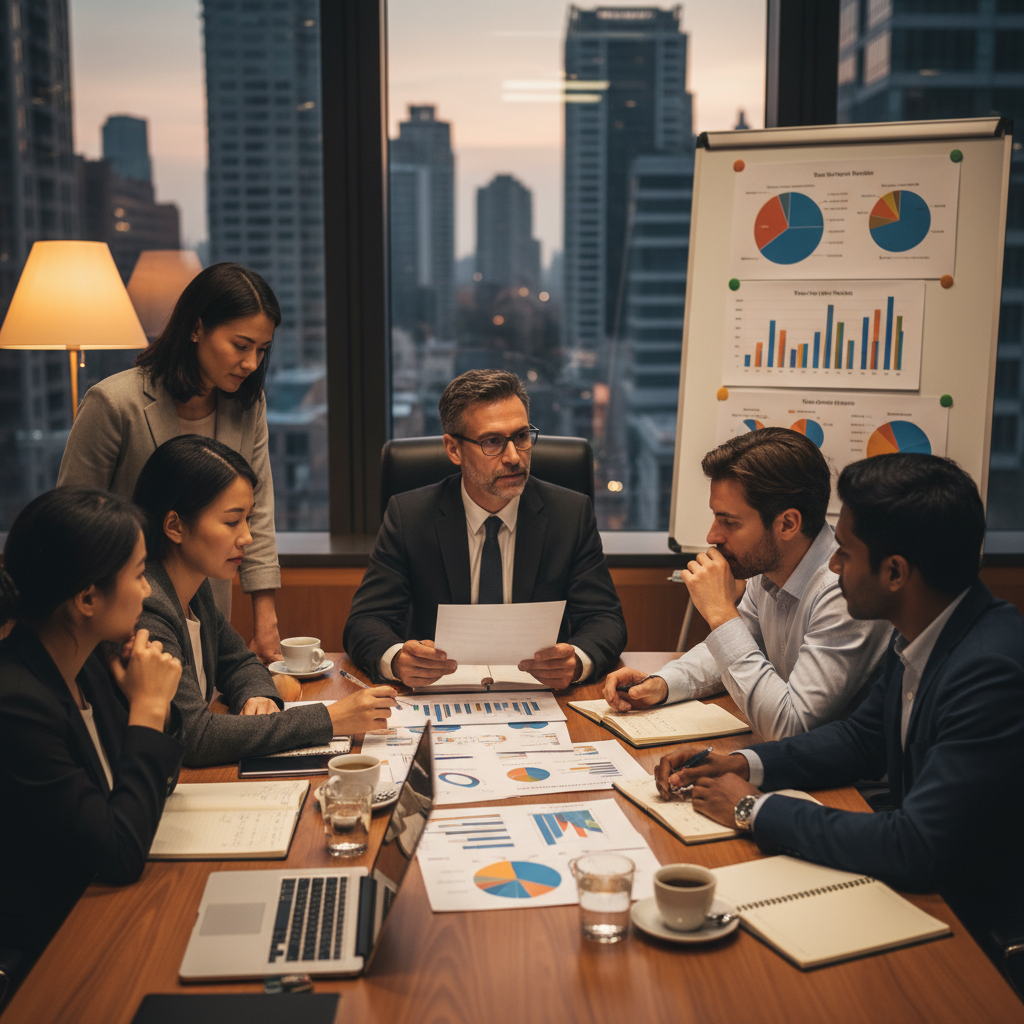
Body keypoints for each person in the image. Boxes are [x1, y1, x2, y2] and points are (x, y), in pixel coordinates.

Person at [656, 454, 1024, 963]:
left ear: (895, 572)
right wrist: (744, 764)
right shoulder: (925, 629)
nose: (831, 565)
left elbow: (915, 846)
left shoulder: (989, 671)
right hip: (926, 886)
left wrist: (751, 809)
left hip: (975, 926)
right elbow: (860, 739)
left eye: (845, 553)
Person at [57, 262, 284, 665]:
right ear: (197, 328)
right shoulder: (115, 403)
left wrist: (265, 616)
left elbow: (258, 507)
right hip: (126, 616)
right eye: (241, 345)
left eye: (261, 350)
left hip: (209, 609)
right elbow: (73, 523)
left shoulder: (249, 405)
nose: (251, 363)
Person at [344, 369, 627, 689]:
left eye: (521, 436)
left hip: (540, 694)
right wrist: (398, 659)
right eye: (492, 441)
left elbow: (605, 620)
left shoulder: (569, 515)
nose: (513, 457)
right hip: (441, 692)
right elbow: (366, 621)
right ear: (453, 449)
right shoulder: (410, 517)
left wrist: (576, 661)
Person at [602, 428, 892, 739]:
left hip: (850, 783)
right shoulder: (767, 568)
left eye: (729, 522)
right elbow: (735, 650)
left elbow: (790, 726)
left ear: (787, 524)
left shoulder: (844, 591)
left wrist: (721, 614)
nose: (712, 536)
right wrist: (662, 683)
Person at [0, 489, 184, 976]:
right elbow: (119, 852)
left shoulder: (89, 664)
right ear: (86, 598)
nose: (148, 593)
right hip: (51, 951)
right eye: (141, 574)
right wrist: (148, 706)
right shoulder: (16, 705)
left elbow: (155, 786)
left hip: (102, 911)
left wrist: (142, 702)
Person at [132, 434, 396, 767]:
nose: (246, 537)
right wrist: (332, 718)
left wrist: (256, 693)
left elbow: (241, 663)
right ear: (174, 526)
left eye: (247, 520)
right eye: (231, 522)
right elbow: (195, 737)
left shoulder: (194, 590)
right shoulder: (147, 608)